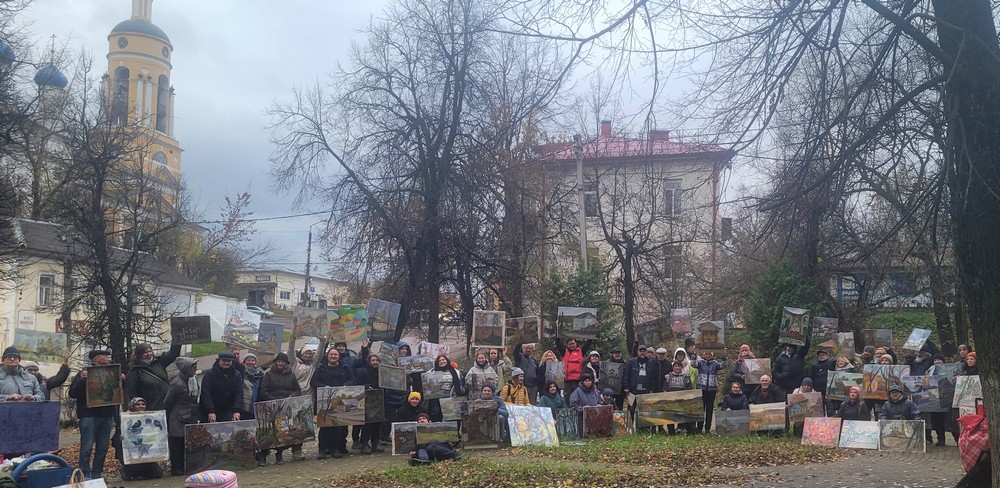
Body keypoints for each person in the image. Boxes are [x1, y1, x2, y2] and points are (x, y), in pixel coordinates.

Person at [68, 349, 123, 479]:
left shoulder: (111, 372)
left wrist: (122, 381)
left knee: (103, 447)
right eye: (105, 356)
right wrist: (82, 380)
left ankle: (97, 474)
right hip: (88, 415)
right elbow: (73, 393)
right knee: (87, 446)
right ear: (96, 358)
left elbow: (117, 392)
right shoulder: (84, 373)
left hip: (106, 415)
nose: (108, 358)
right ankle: (85, 474)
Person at [257, 352, 303, 465]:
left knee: (281, 432)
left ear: (286, 363)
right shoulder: (268, 374)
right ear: (275, 362)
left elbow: (297, 389)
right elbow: (263, 391)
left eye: (283, 362)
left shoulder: (291, 375)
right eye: (279, 361)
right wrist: (274, 400)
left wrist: (292, 396)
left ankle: (279, 455)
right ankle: (263, 456)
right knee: (268, 432)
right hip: (270, 407)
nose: (280, 363)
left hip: (285, 407)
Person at [311, 346, 354, 459]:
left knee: (337, 426)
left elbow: (352, 380)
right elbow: (313, 382)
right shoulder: (321, 368)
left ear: (339, 356)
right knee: (325, 426)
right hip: (325, 400)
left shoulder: (345, 367)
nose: (333, 356)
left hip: (340, 400)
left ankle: (336, 449)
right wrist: (324, 387)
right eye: (331, 354)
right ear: (327, 356)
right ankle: (322, 450)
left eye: (335, 354)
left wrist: (346, 386)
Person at [164, 357, 199, 476]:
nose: (196, 369)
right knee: (177, 442)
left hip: (192, 414)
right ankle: (176, 467)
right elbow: (168, 401)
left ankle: (186, 465)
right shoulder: (177, 383)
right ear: (187, 368)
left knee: (188, 441)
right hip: (178, 416)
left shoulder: (194, 379)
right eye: (194, 367)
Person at [125, 343, 182, 411]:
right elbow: (132, 393)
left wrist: (177, 339)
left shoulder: (159, 362)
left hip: (166, 405)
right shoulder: (135, 371)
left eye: (150, 351)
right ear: (139, 354)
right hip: (150, 408)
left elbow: (173, 353)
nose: (149, 354)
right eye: (146, 352)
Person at [119, 397, 164, 481]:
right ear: (132, 406)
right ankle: (126, 471)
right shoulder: (125, 419)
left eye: (143, 404)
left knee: (157, 473)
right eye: (138, 404)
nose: (141, 406)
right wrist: (121, 438)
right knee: (130, 476)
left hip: (147, 452)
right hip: (133, 453)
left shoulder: (151, 417)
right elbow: (116, 439)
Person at [353, 353, 385, 454]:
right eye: (373, 360)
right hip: (367, 401)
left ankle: (375, 443)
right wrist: (367, 386)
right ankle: (364, 444)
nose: (375, 362)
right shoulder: (363, 371)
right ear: (369, 362)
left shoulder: (382, 372)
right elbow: (357, 385)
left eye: (377, 360)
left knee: (377, 423)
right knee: (367, 424)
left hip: (380, 400)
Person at [199, 351, 243, 423]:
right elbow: (206, 393)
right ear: (219, 361)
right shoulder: (209, 374)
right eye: (224, 361)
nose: (226, 363)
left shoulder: (237, 375)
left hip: (227, 410)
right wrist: (210, 411)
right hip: (210, 411)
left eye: (229, 361)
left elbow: (239, 393)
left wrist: (236, 410)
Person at [693, 350, 727, 433]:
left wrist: (723, 356)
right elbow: (693, 364)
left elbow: (723, 365)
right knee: (701, 409)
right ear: (704, 355)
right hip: (701, 388)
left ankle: (707, 428)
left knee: (709, 408)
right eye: (706, 354)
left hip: (712, 389)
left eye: (710, 354)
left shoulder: (715, 363)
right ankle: (699, 427)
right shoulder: (700, 363)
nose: (708, 356)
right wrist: (694, 354)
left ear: (713, 355)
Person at [554, 337, 593, 403]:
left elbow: (588, 344)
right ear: (567, 345)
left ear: (576, 343)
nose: (572, 345)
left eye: (573, 343)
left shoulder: (581, 351)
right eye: (570, 344)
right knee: (567, 397)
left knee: (577, 397)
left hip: (577, 380)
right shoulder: (564, 352)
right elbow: (558, 344)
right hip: (567, 381)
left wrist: (590, 336)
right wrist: (557, 337)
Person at [427, 355, 464, 421]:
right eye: (439, 360)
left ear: (447, 360)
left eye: (443, 359)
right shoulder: (431, 372)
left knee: (451, 418)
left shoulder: (456, 372)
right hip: (436, 400)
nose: (441, 361)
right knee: (437, 418)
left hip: (451, 397)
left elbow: (460, 384)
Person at [663, 360, 696, 434]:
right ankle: (671, 432)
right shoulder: (669, 376)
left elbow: (689, 388)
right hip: (671, 398)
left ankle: (690, 431)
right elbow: (665, 387)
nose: (677, 368)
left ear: (681, 367)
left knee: (683, 415)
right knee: (670, 415)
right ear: (673, 368)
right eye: (676, 366)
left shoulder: (686, 377)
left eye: (679, 366)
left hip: (682, 399)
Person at [237, 352, 264, 421]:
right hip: (243, 404)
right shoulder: (241, 372)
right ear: (245, 361)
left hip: (255, 403)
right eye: (248, 360)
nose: (250, 362)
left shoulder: (261, 373)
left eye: (252, 360)